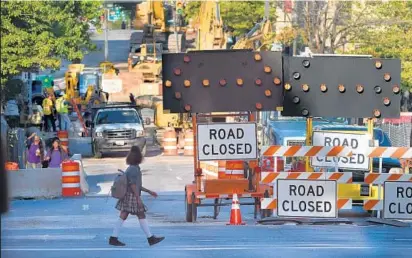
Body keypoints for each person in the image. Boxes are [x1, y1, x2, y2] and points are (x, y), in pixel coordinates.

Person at [109, 146, 164, 247]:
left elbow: (136, 184)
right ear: (138, 157)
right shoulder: (134, 169)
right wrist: (138, 198)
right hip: (132, 196)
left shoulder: (131, 168)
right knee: (139, 214)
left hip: (128, 195)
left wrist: (149, 191)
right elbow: (133, 185)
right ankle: (150, 238)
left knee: (124, 216)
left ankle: (113, 238)